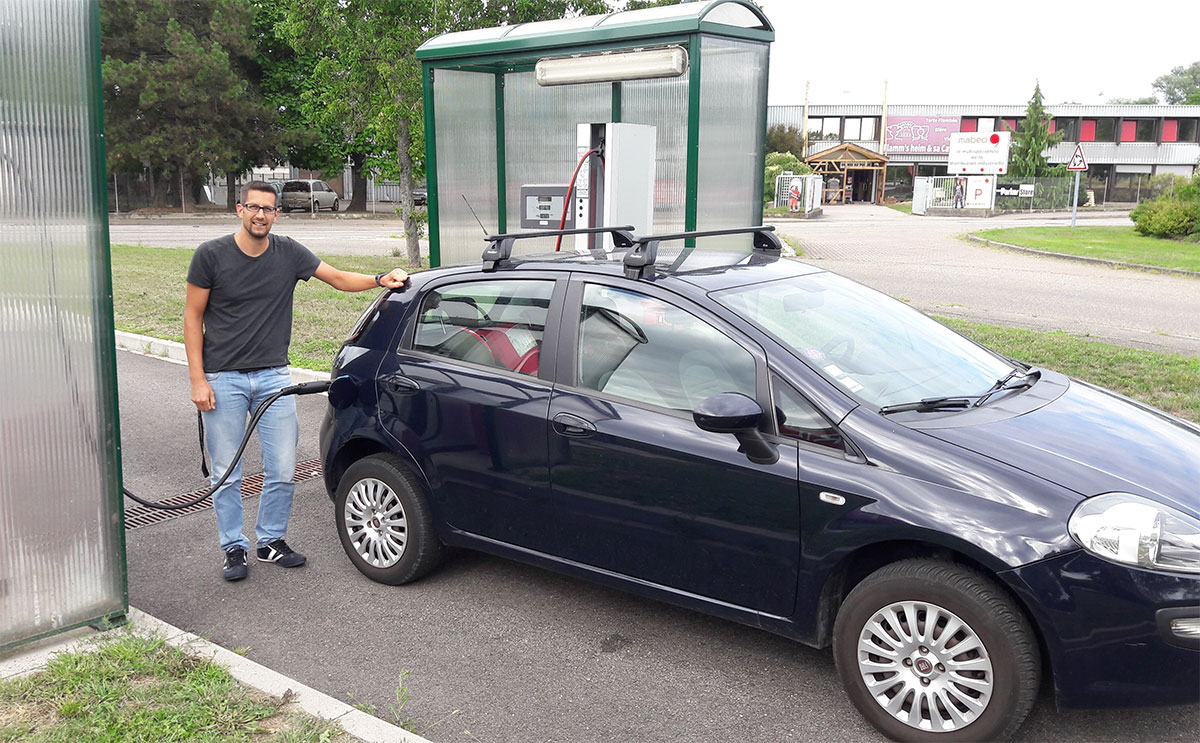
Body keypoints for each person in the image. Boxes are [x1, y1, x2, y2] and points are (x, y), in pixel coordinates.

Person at [185, 180, 410, 581]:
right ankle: (233, 547)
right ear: (240, 210)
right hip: (223, 379)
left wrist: (380, 279)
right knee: (226, 470)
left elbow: (338, 278)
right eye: (253, 208)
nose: (260, 215)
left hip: (273, 377)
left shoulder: (288, 253)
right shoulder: (211, 256)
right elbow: (192, 317)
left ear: (276, 213)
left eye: (268, 209)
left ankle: (270, 541)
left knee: (283, 466)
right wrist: (198, 380)